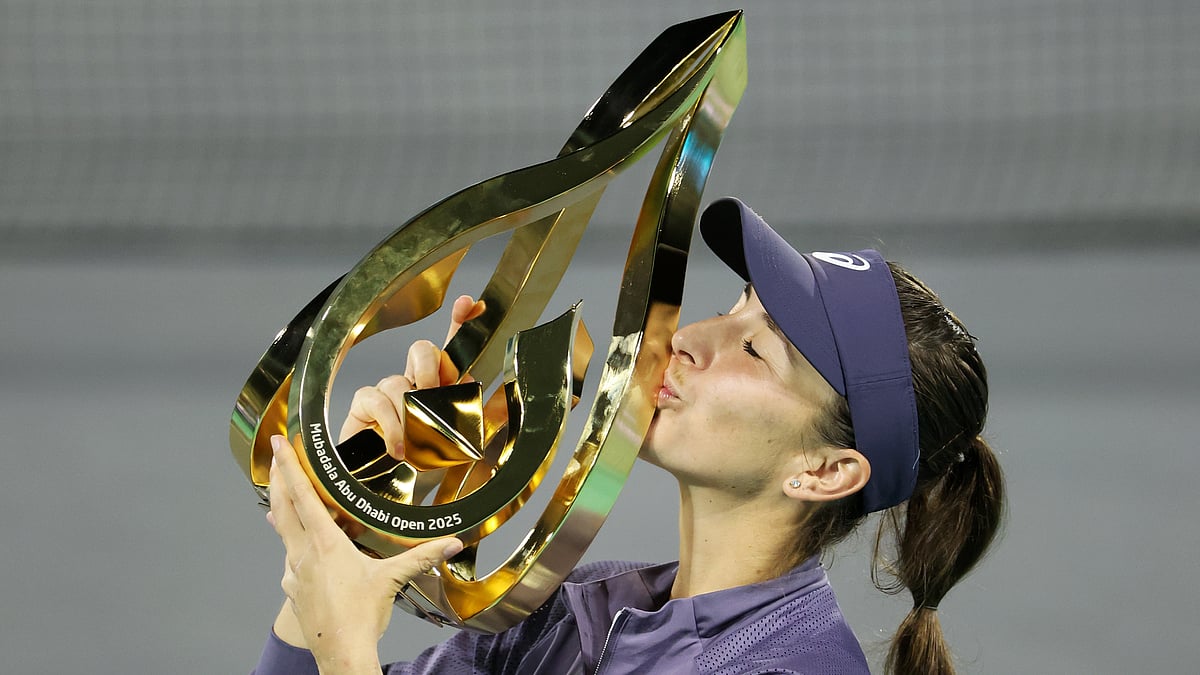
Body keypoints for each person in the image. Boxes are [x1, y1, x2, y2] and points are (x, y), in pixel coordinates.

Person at [252, 197, 1005, 675]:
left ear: (827, 468)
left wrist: (347, 652)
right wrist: (356, 534)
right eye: (735, 304)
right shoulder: (578, 607)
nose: (693, 336)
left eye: (756, 348)